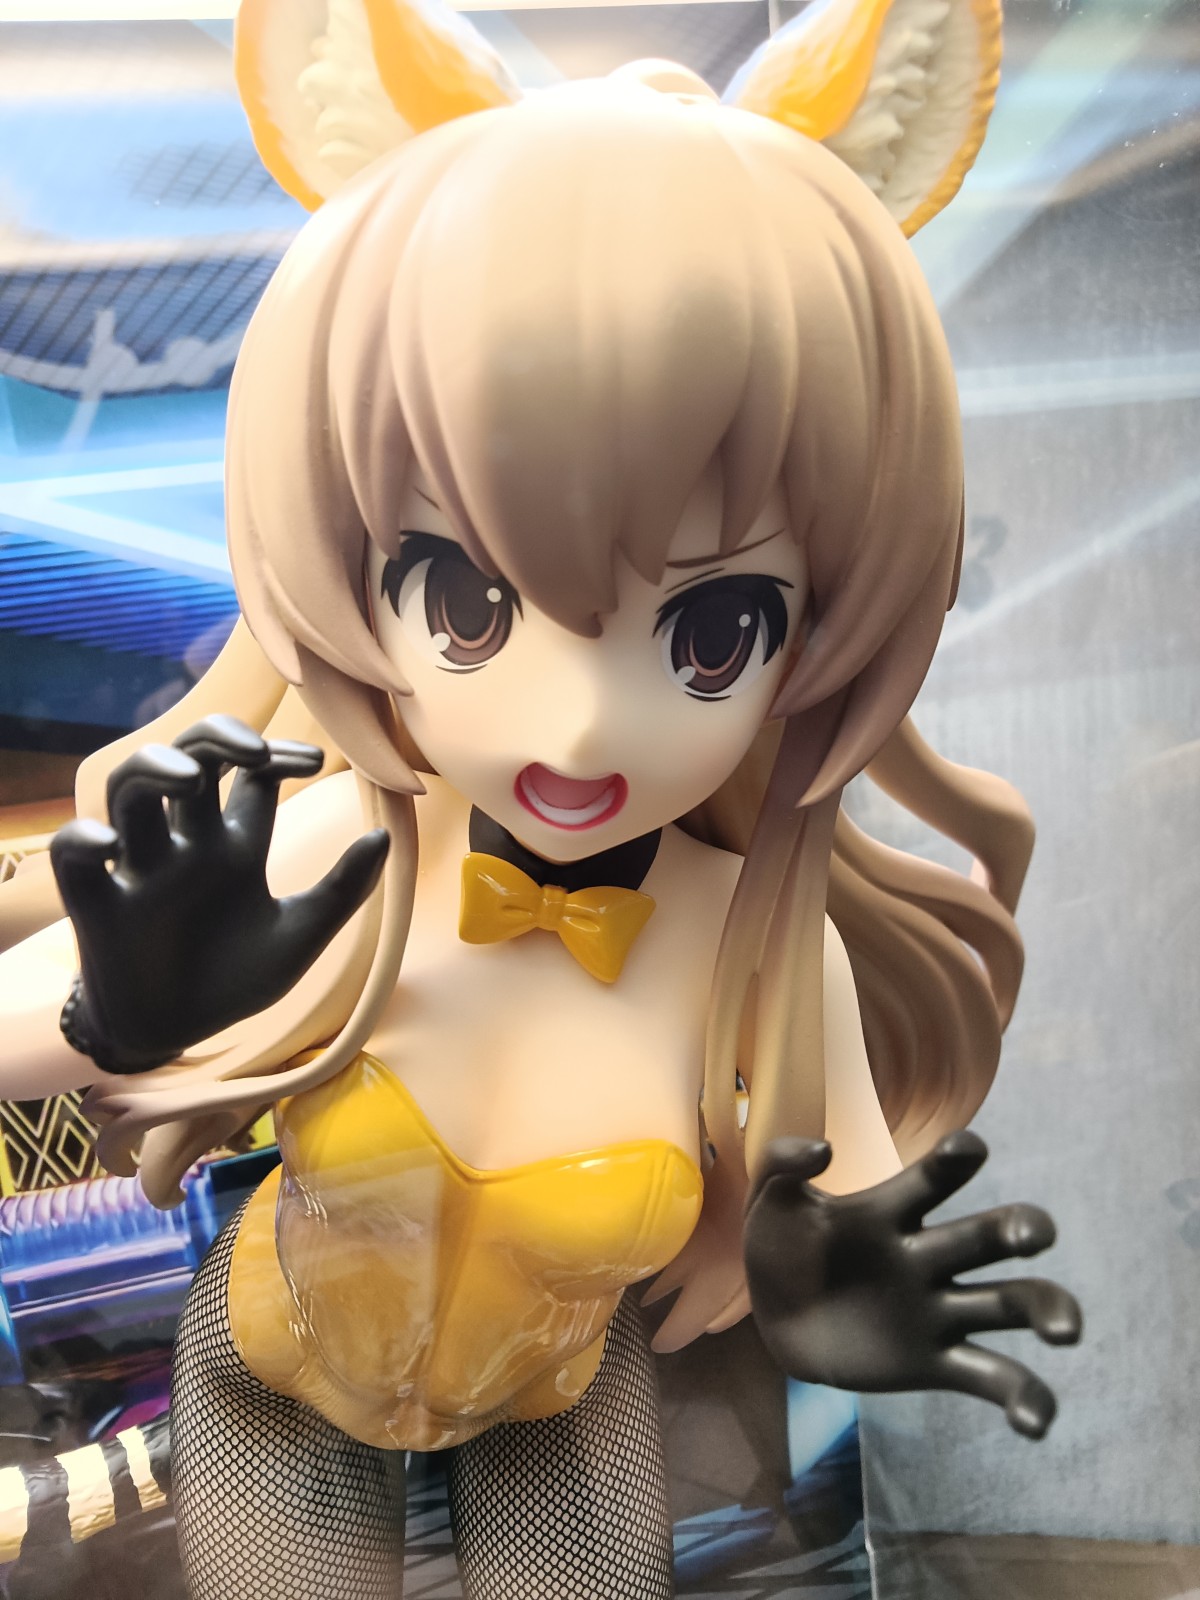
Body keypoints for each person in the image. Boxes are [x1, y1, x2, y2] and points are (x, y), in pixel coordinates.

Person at [0, 0, 1080, 1594]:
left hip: (563, 1402)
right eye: (466, 603)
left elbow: (845, 1193)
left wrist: (827, 1293)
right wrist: (128, 1015)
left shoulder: (754, 949)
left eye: (713, 634)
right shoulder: (345, 865)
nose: (576, 725)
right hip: (283, 1384)